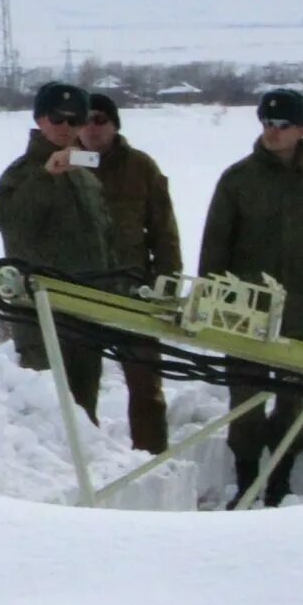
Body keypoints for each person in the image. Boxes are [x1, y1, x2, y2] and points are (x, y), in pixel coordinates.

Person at [198, 87, 303, 507]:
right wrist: (209, 307)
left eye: (283, 125)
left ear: (302, 129)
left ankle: (279, 485)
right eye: (267, 123)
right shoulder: (237, 180)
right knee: (246, 405)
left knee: (293, 407)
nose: (273, 132)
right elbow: (214, 249)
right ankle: (247, 481)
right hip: (244, 314)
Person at [0, 81, 114, 420]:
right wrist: (46, 177)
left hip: (85, 316)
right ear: (40, 119)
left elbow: (104, 239)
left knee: (84, 416)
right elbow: (12, 224)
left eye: (74, 121)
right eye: (57, 119)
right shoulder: (21, 174)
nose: (65, 128)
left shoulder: (85, 177)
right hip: (41, 318)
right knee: (49, 419)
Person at [79, 92, 182, 452]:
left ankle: (153, 459)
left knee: (145, 385)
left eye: (100, 120)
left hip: (133, 290)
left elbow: (164, 232)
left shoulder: (141, 168)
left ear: (115, 124)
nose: (92, 128)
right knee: (79, 386)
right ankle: (82, 461)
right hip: (78, 290)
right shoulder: (64, 165)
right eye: (86, 120)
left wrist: (166, 285)